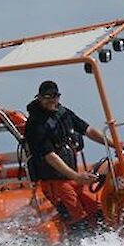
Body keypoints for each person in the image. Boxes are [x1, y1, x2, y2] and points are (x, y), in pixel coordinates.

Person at [24, 80, 110, 231]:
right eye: (47, 97)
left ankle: (106, 240)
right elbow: (49, 156)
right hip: (55, 182)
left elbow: (88, 130)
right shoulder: (35, 124)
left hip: (72, 177)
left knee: (95, 209)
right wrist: (77, 177)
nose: (52, 100)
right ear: (39, 98)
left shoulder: (63, 113)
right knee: (77, 217)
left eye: (55, 96)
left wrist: (113, 143)